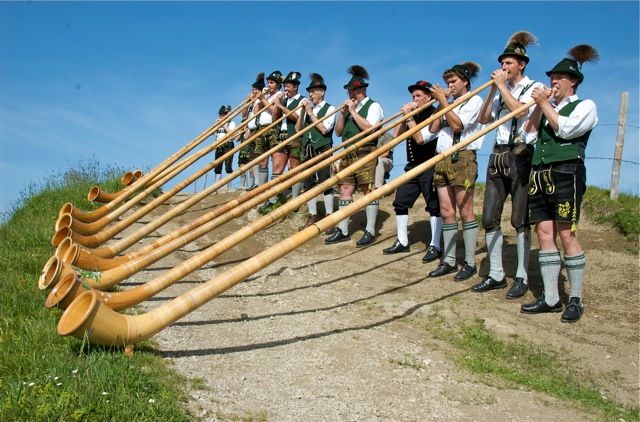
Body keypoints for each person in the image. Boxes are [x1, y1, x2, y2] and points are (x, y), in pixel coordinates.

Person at [520, 45, 599, 323]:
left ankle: (575, 298)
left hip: (566, 172)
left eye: (559, 77)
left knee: (567, 234)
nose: (553, 81)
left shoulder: (585, 106)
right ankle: (551, 298)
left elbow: (566, 130)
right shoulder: (547, 108)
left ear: (573, 81)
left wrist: (544, 104)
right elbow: (528, 135)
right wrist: (538, 106)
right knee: (544, 233)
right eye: (552, 77)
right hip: (539, 172)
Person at [472, 31, 543, 297]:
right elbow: (483, 119)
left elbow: (521, 112)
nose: (504, 67)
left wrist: (501, 86)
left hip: (521, 153)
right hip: (498, 154)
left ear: (521, 64)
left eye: (509, 63)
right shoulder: (500, 90)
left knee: (519, 219)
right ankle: (496, 274)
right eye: (502, 63)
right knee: (489, 217)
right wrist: (493, 90)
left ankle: (522, 277)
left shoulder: (533, 86)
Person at [427, 62, 485, 281]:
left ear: (465, 82)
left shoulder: (474, 100)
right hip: (442, 158)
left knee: (465, 210)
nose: (449, 85)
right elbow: (433, 128)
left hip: (463, 157)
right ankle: (449, 260)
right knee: (446, 210)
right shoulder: (449, 102)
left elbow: (458, 125)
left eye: (453, 81)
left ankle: (469, 262)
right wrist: (440, 103)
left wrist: (444, 102)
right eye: (447, 82)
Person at [382, 80, 442, 264]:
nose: (414, 99)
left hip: (430, 164)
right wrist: (404, 116)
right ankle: (402, 240)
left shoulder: (435, 113)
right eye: (413, 96)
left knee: (434, 205)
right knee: (400, 201)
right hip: (412, 165)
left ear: (429, 97)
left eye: (418, 96)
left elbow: (420, 139)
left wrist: (409, 117)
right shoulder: (413, 114)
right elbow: (395, 137)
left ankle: (435, 245)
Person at [325, 65, 384, 246]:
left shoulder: (374, 106)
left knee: (367, 189)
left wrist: (352, 111)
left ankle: (370, 230)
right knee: (345, 189)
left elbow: (369, 128)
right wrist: (342, 115)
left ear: (362, 90)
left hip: (366, 151)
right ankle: (343, 229)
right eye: (350, 91)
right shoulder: (350, 110)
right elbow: (338, 132)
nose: (352, 95)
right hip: (348, 153)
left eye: (355, 91)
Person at [258, 71, 305, 213]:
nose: (286, 89)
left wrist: (281, 106)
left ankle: (295, 201)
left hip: (295, 136)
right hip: (281, 135)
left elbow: (297, 118)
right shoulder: (283, 99)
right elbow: (275, 118)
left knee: (295, 169)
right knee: (277, 168)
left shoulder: (302, 100)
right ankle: (273, 200)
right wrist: (277, 106)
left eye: (288, 86)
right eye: (285, 86)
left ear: (295, 87)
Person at [295, 73, 336, 230]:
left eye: (313, 92)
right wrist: (303, 112)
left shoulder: (330, 108)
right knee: (308, 182)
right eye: (310, 92)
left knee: (325, 181)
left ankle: (329, 216)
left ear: (322, 92)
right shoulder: (308, 110)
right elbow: (298, 130)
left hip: (322, 148)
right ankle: (313, 215)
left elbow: (324, 129)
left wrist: (310, 113)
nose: (310, 95)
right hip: (307, 149)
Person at [253, 70, 284, 210]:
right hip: (261, 128)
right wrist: (260, 99)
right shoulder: (266, 95)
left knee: (275, 162)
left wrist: (264, 99)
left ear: (278, 84)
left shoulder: (279, 95)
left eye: (272, 83)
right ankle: (262, 194)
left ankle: (273, 197)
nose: (269, 85)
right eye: (268, 82)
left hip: (273, 128)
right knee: (262, 162)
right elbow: (255, 112)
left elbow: (276, 112)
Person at [208, 105, 237, 191]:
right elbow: (210, 133)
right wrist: (215, 125)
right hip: (219, 145)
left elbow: (232, 134)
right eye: (220, 115)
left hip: (228, 144)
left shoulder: (232, 123)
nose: (221, 116)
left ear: (226, 115)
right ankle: (217, 185)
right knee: (217, 166)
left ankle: (227, 186)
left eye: (222, 115)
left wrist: (224, 124)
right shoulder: (217, 123)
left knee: (228, 165)